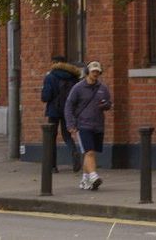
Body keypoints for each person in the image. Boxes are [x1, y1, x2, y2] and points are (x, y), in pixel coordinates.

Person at [64, 60, 112, 190]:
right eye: (93, 71)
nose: (95, 74)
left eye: (97, 71)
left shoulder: (103, 88)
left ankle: (85, 180)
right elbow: (69, 106)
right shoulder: (78, 88)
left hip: (98, 125)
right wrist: (70, 124)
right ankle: (93, 176)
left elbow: (108, 104)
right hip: (83, 125)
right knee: (89, 151)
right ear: (87, 72)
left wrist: (105, 105)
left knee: (90, 153)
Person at [40, 55, 82, 172]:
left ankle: (52, 166)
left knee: (51, 137)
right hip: (68, 110)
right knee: (67, 135)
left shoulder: (51, 77)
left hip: (54, 110)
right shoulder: (74, 76)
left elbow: (46, 97)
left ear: (55, 63)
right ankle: (74, 153)